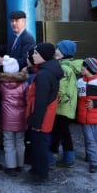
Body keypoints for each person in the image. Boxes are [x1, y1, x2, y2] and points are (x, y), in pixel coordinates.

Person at [26, 43, 63, 184]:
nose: (33, 56)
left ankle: (41, 174)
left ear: (44, 56)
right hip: (45, 115)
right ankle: (37, 169)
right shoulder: (49, 69)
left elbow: (41, 101)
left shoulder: (44, 75)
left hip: (41, 117)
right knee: (39, 143)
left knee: (40, 145)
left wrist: (36, 122)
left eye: (36, 53)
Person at [49, 40, 83, 168]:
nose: (55, 51)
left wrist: (52, 101)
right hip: (68, 107)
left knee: (55, 134)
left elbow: (60, 90)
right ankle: (68, 158)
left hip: (61, 107)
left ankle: (51, 160)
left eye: (58, 49)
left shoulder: (63, 68)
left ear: (65, 53)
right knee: (64, 133)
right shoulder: (70, 66)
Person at [0, 55, 28, 176]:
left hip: (7, 118)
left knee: (8, 141)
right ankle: (20, 165)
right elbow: (27, 100)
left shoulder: (2, 85)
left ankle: (11, 167)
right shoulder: (24, 85)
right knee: (20, 141)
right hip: (21, 117)